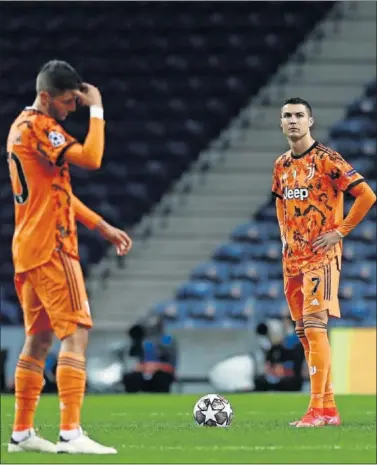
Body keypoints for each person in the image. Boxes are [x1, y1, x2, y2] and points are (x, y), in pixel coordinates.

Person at [6, 60, 132, 454]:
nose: (71, 109)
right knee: (76, 333)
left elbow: (56, 192)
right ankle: (70, 433)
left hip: (27, 248)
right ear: (45, 97)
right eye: (66, 101)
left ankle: (22, 433)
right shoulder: (41, 128)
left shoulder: (19, 127)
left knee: (38, 340)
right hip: (52, 248)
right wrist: (98, 108)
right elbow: (92, 158)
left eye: (76, 102)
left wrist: (101, 226)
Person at [272, 97, 376, 427]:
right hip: (293, 260)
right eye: (287, 115)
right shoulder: (281, 165)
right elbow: (280, 201)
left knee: (316, 327)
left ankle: (316, 409)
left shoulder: (327, 159)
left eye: (299, 115)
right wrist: (283, 237)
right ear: (281, 123)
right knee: (303, 332)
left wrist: (340, 231)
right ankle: (329, 409)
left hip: (321, 257)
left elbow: (367, 195)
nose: (292, 120)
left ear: (310, 122)